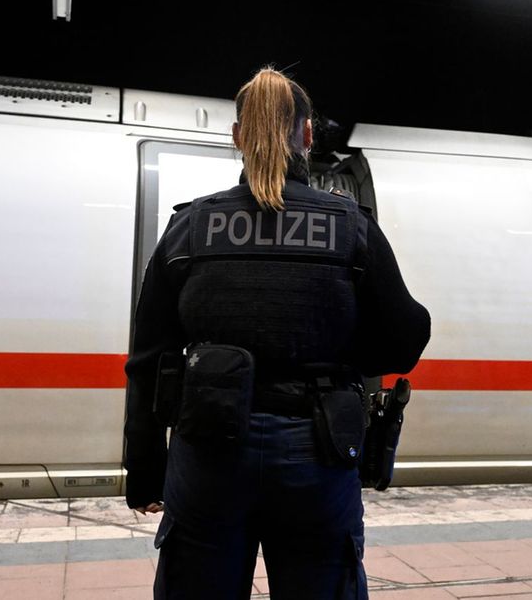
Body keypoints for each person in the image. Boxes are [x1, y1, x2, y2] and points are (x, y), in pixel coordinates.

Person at [124, 68, 431, 599]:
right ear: (308, 136)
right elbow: (404, 340)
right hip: (316, 453)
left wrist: (147, 469)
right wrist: (338, 351)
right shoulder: (349, 227)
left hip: (208, 454)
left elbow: (148, 356)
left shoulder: (191, 227)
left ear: (239, 136)